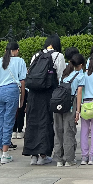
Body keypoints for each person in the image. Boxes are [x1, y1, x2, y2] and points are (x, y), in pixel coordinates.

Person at [23, 35, 65, 166]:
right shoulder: (58, 56)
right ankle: (43, 155)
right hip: (49, 93)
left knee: (32, 122)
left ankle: (33, 156)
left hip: (34, 94)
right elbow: (61, 77)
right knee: (46, 122)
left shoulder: (36, 55)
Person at [0, 42, 27, 165]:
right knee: (9, 121)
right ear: (16, 50)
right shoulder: (19, 61)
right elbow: (22, 81)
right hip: (12, 90)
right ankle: (5, 152)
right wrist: (22, 98)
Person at [53, 52, 84, 167]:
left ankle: (59, 159)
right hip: (70, 104)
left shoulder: (63, 75)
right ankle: (69, 159)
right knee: (69, 131)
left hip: (58, 105)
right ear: (80, 65)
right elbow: (79, 93)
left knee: (58, 131)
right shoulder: (80, 76)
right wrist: (78, 111)